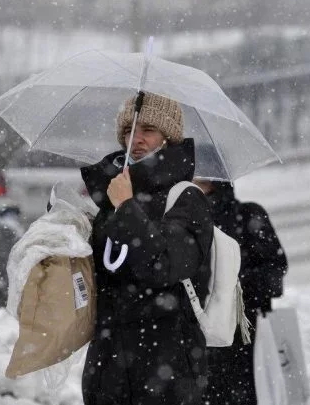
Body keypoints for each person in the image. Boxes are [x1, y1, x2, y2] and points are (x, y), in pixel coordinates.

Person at [80, 92, 214, 405]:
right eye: (129, 131)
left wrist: (126, 206)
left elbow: (163, 264)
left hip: (165, 371)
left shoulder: (185, 198)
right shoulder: (109, 196)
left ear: (169, 138)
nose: (135, 139)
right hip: (109, 368)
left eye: (148, 131)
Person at [195, 176, 288, 405]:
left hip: (241, 328)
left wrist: (232, 284)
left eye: (200, 180)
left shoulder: (247, 215)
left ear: (216, 182)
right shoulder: (186, 221)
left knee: (239, 390)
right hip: (199, 327)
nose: (194, 186)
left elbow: (274, 270)